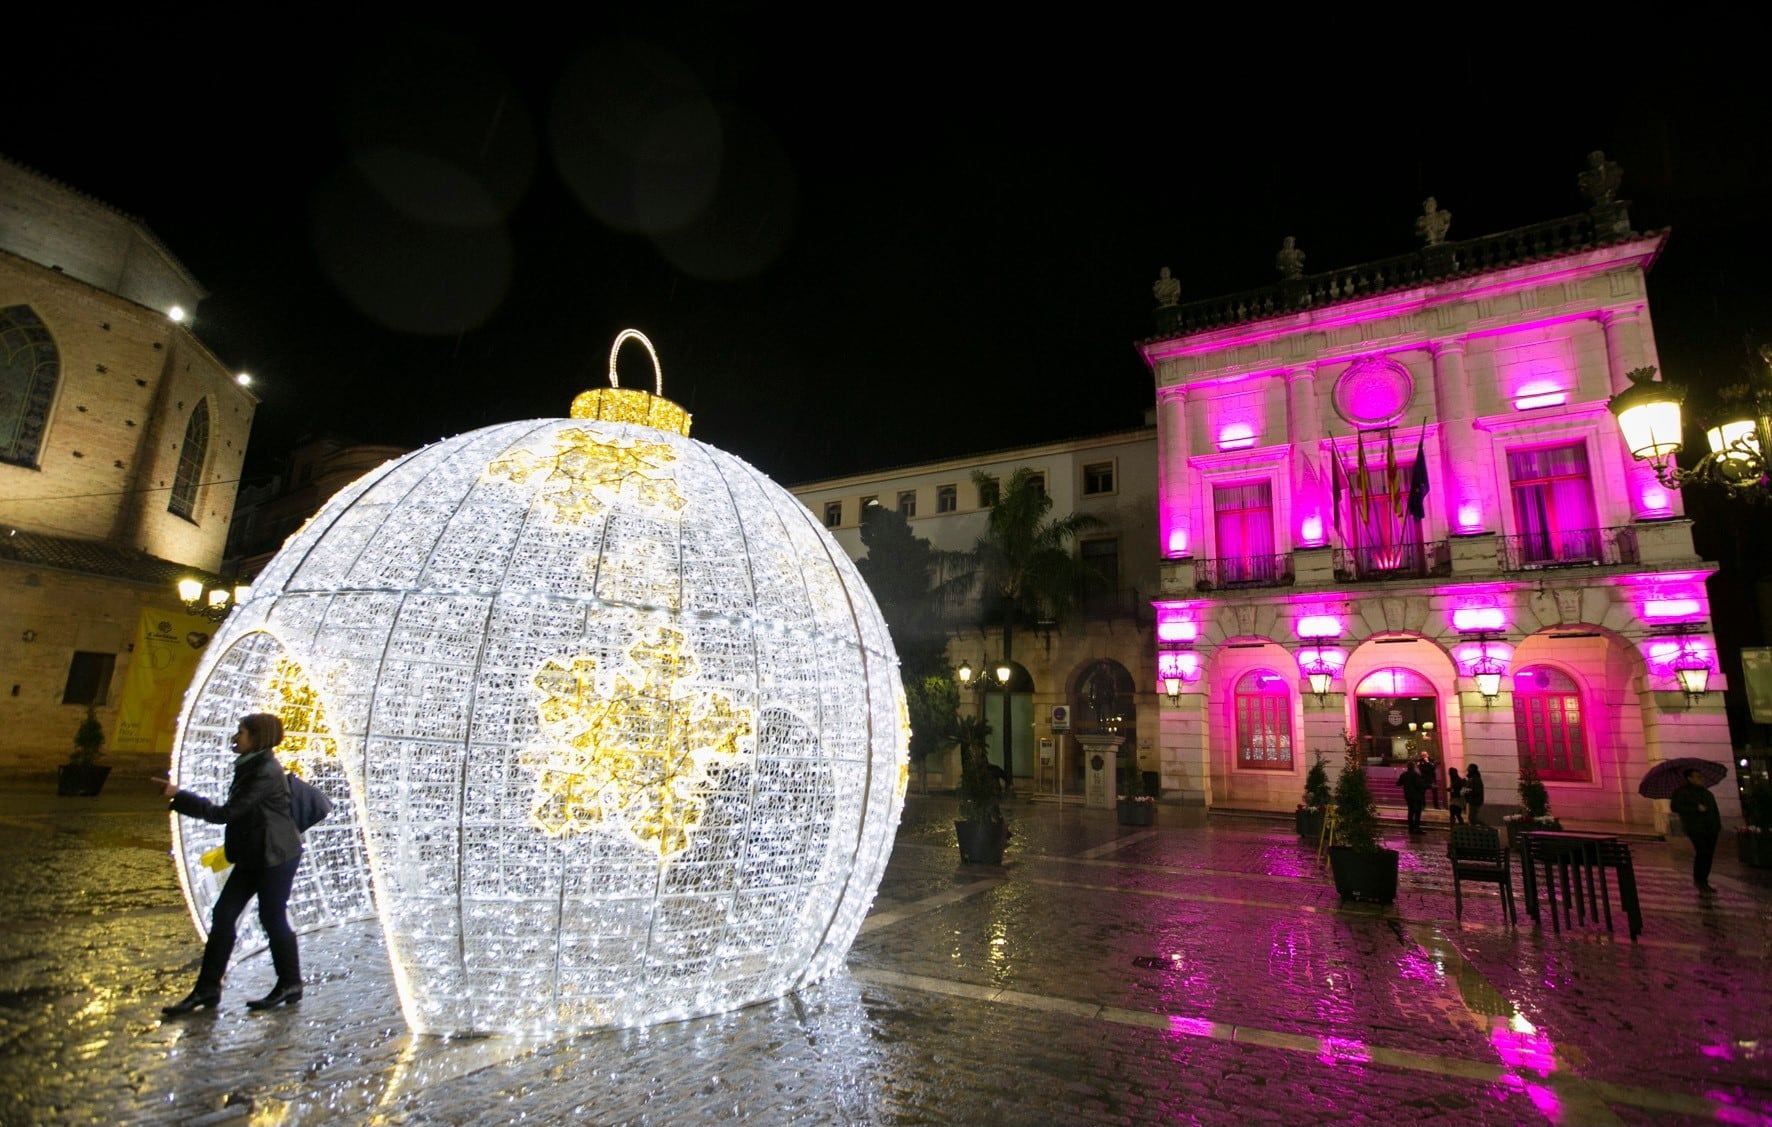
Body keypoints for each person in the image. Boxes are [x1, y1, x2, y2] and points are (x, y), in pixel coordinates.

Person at [153, 713, 304, 1015]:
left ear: (257, 737)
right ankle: (207, 989)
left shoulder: (264, 771)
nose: (236, 737)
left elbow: (226, 813)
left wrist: (179, 796)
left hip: (274, 856)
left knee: (271, 917)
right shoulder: (251, 764)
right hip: (254, 854)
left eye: (242, 732)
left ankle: (290, 983)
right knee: (223, 916)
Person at [1670, 768, 1722, 894]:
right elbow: (1675, 807)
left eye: (1701, 776)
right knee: (1702, 852)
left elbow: (1714, 810)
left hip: (1711, 828)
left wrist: (1717, 826)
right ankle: (1700, 880)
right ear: (1690, 778)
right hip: (1695, 828)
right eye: (1697, 776)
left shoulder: (1706, 793)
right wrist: (1695, 808)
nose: (1701, 779)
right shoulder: (1682, 792)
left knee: (1708, 855)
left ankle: (1704, 880)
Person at [1398, 760, 1427, 834]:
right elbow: (1419, 785)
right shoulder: (1416, 775)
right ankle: (1416, 828)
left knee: (1410, 812)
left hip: (1408, 796)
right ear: (1414, 767)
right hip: (1416, 796)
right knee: (1417, 812)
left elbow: (1398, 783)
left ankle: (1411, 829)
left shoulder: (1404, 774)